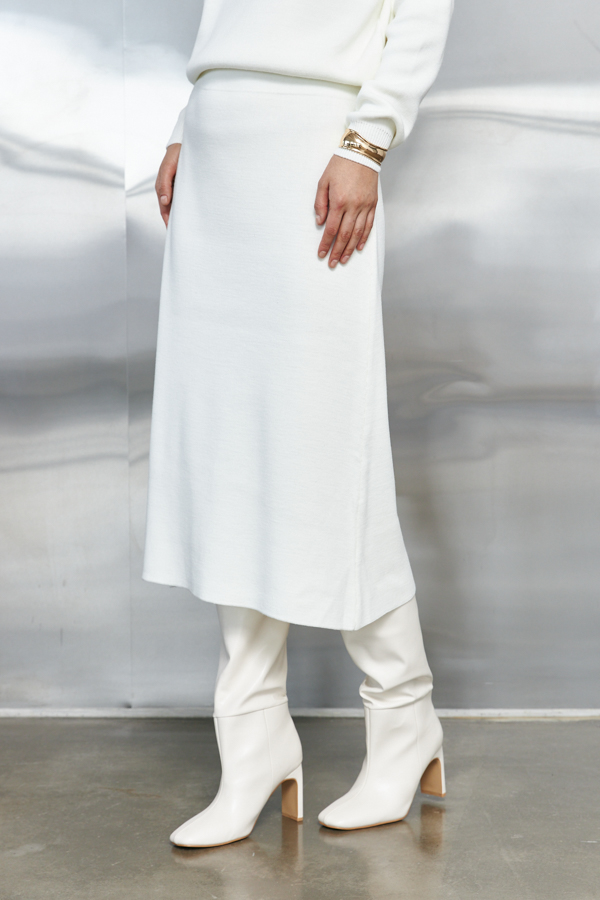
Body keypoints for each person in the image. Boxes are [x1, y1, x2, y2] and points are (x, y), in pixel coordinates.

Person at [143, 0, 454, 847]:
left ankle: (403, 716)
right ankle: (252, 743)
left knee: (321, 448)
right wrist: (187, 121)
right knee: (231, 450)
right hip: (219, 152)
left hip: (316, 148)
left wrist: (368, 140)